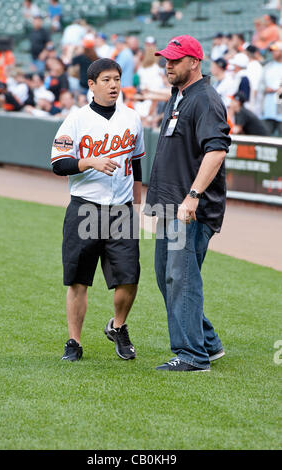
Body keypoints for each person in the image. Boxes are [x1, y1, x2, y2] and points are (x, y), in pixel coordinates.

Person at [145, 35, 231, 372]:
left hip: (189, 209)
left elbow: (217, 149)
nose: (168, 64)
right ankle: (208, 343)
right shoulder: (179, 95)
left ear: (194, 62)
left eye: (175, 59)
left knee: (181, 279)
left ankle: (193, 356)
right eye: (166, 58)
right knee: (167, 278)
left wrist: (192, 197)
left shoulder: (205, 99)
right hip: (169, 206)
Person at [50, 58, 145, 362]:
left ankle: (118, 326)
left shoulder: (132, 118)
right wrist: (89, 161)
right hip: (85, 207)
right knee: (79, 279)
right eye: (106, 79)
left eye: (116, 78)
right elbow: (58, 164)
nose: (114, 84)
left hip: (121, 209)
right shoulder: (75, 120)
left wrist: (137, 196)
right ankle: (74, 342)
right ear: (91, 85)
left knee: (129, 277)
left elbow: (137, 159)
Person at [260, 40, 282, 135]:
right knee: (266, 136)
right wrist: (266, 89)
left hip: (280, 104)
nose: (273, 53)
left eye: (276, 50)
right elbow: (261, 85)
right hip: (269, 107)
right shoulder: (268, 67)